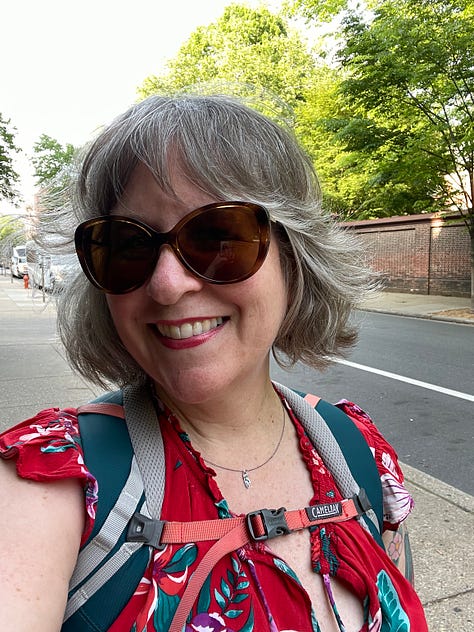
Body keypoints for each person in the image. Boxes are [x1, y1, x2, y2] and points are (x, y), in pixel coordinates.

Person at [0, 93, 428, 632]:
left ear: (294, 257)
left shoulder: (354, 448)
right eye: (127, 246)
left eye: (216, 237)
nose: (167, 284)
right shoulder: (51, 482)